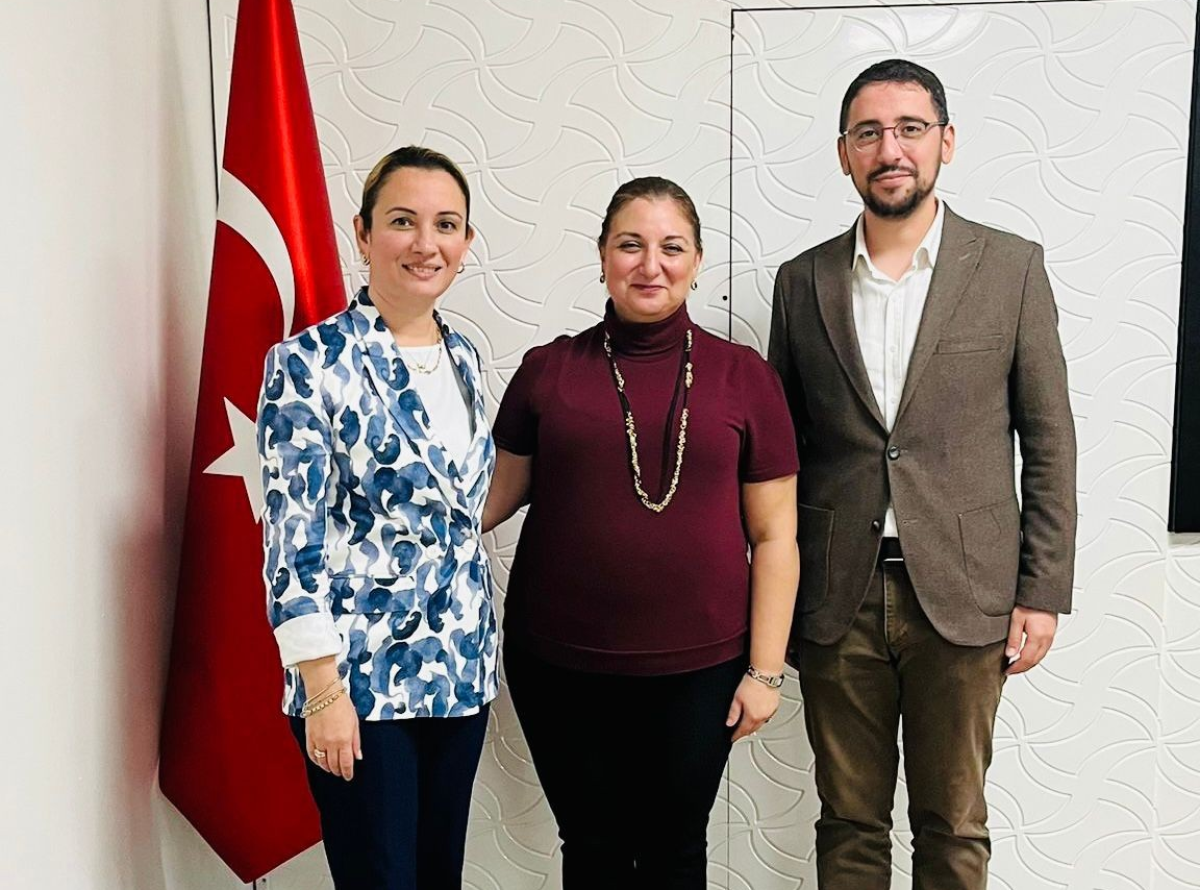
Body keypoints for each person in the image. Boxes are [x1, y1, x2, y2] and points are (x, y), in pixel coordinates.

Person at [768, 59, 1078, 889]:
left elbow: (1050, 438)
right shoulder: (802, 282)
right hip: (836, 596)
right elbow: (780, 457)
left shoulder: (1010, 267)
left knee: (953, 825)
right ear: (844, 153)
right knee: (849, 825)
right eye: (869, 132)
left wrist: (1042, 590)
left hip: (968, 596)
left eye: (910, 128)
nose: (890, 149)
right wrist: (775, 598)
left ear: (946, 142)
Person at [484, 176, 800, 890]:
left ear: (696, 260)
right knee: (590, 848)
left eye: (671, 247)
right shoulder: (547, 371)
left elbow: (776, 536)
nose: (650, 265)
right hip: (559, 667)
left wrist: (765, 671)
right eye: (630, 245)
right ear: (602, 255)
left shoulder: (744, 377)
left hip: (701, 670)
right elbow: (487, 501)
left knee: (673, 851)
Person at [256, 146, 496, 890]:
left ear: (466, 241)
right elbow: (290, 539)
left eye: (446, 225)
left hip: (459, 669)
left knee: (437, 877)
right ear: (362, 233)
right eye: (402, 221)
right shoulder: (307, 362)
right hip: (358, 680)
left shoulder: (463, 355)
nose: (426, 244)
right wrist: (322, 691)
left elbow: (459, 509)